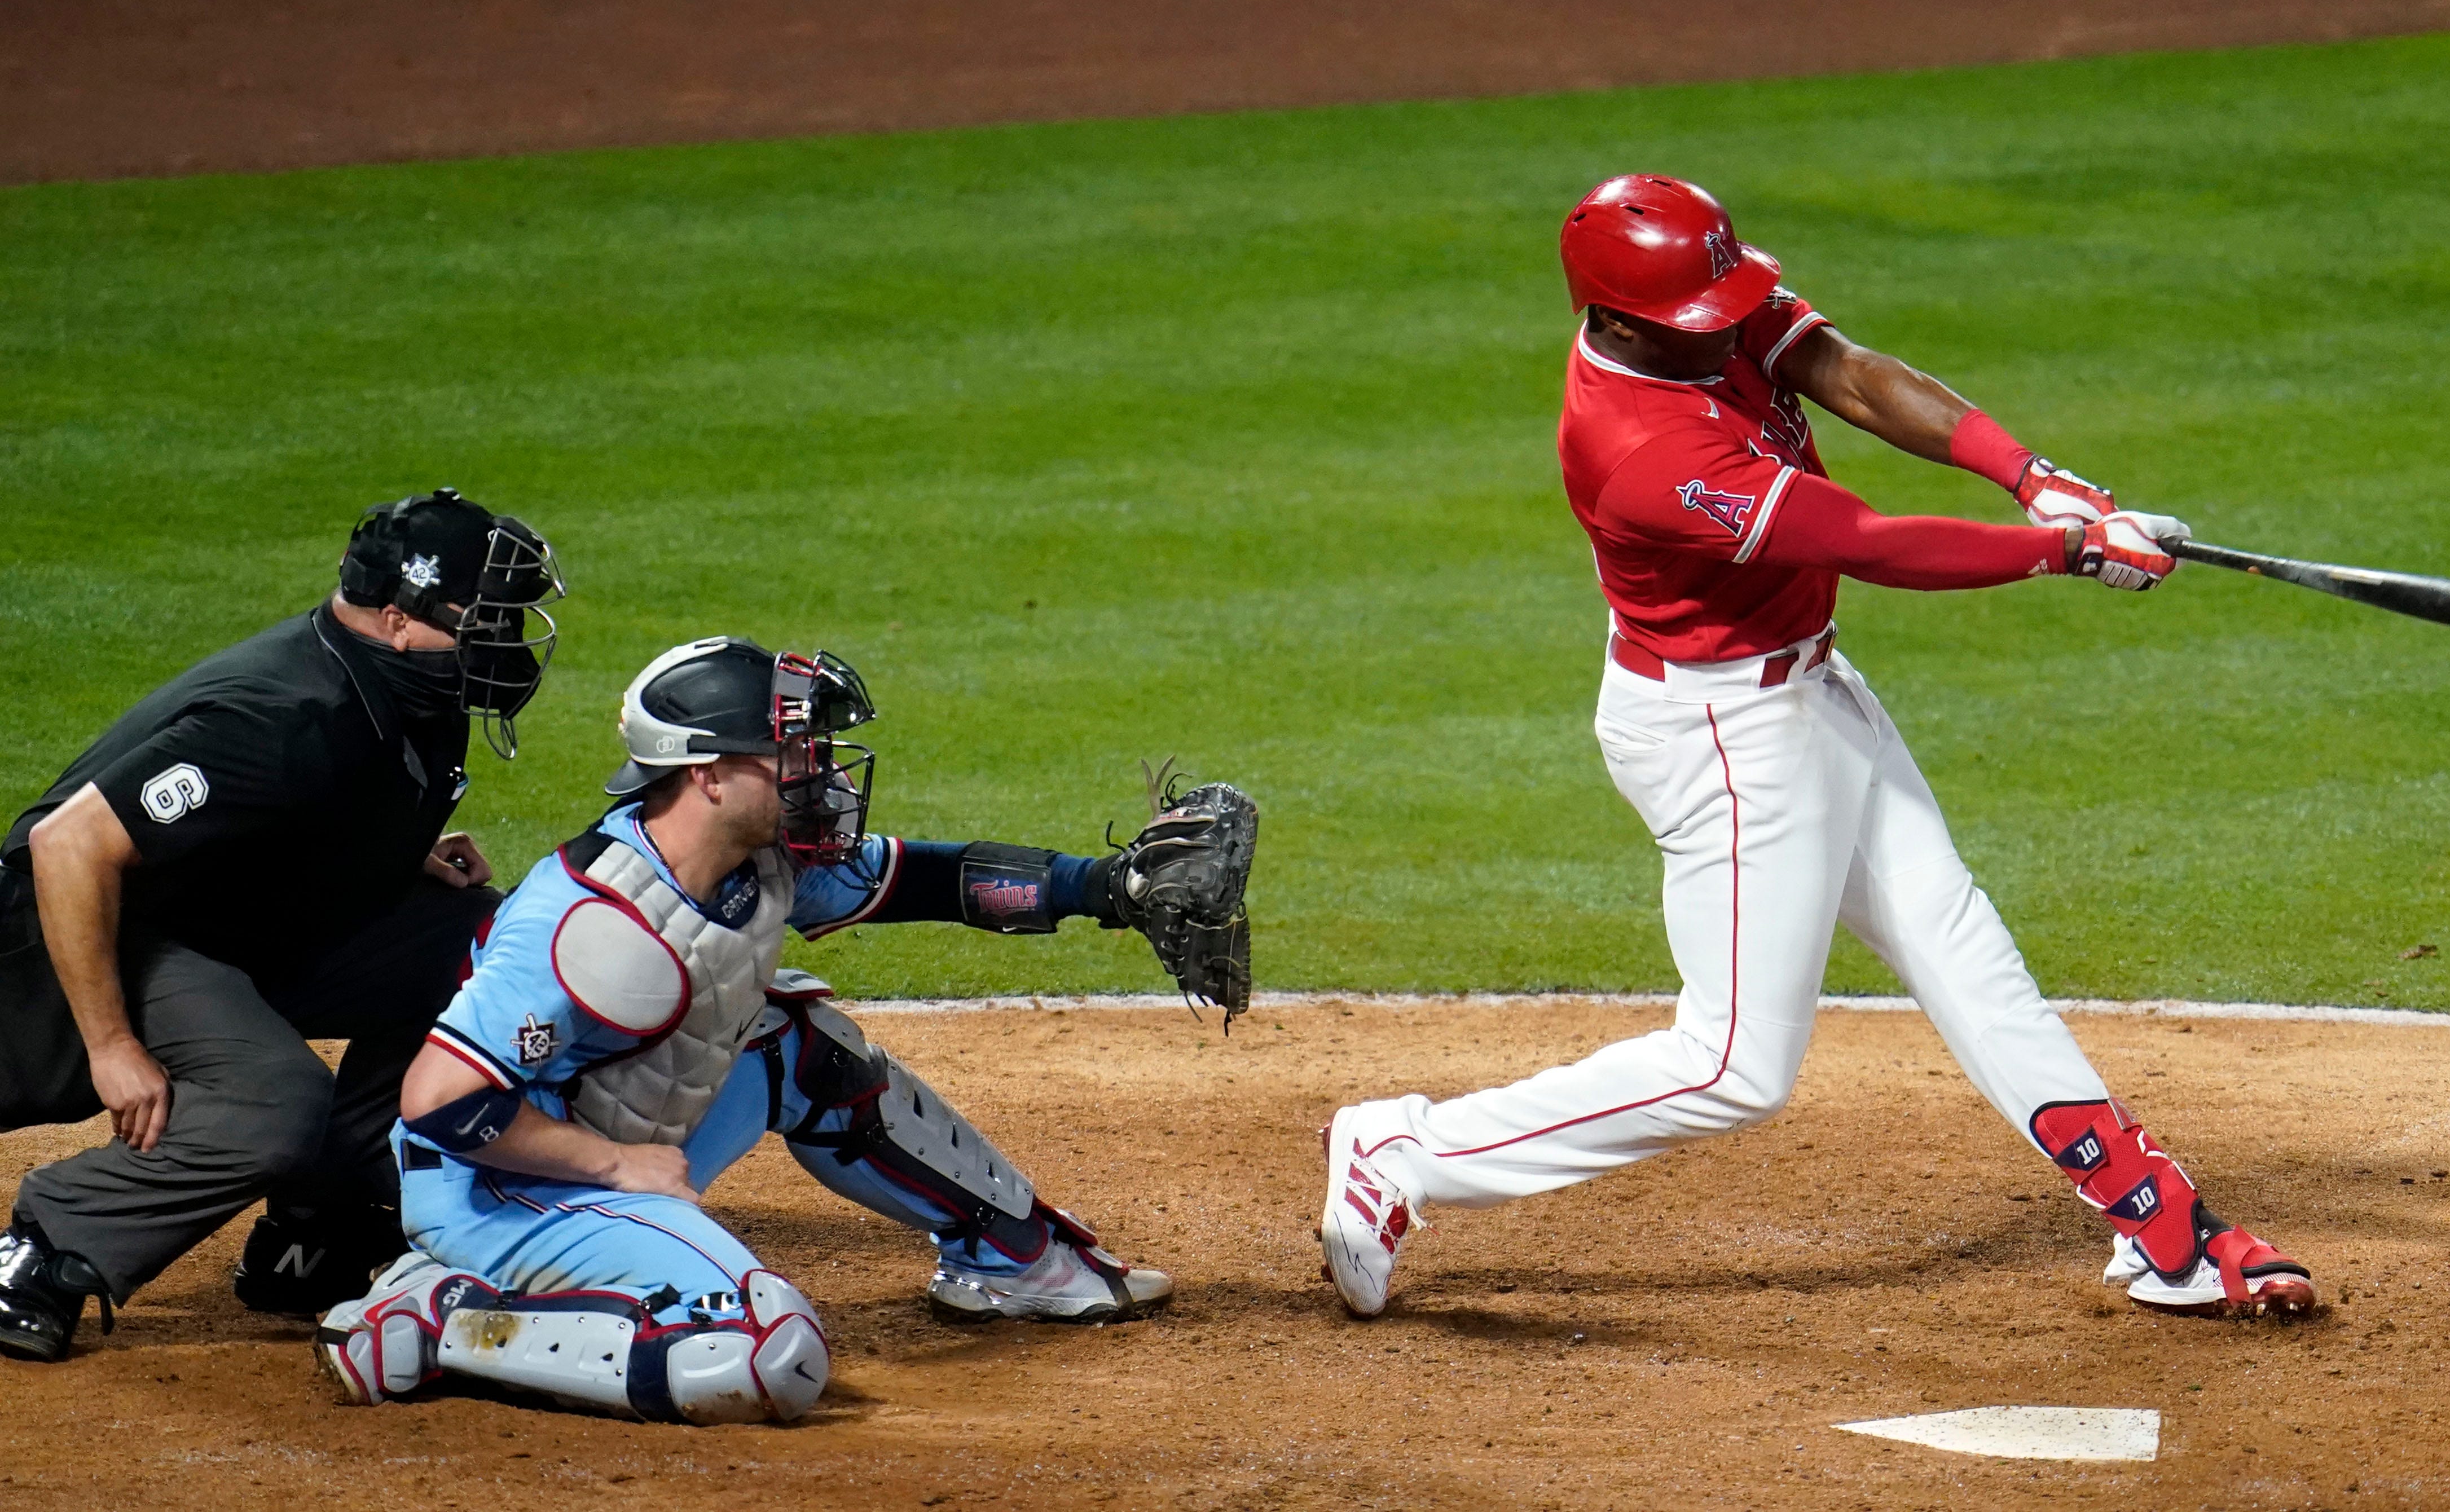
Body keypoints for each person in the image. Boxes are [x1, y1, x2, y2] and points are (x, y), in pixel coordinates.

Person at [1316, 175, 2314, 1321]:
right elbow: (1869, 540)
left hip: (1810, 687)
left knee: (1957, 940)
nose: (1727, 327)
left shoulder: (1695, 307)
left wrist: (2032, 477)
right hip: (1724, 736)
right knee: (1732, 1065)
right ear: (1621, 318)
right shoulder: (1642, 449)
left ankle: (2159, 1225)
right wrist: (2067, 554)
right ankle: (1402, 1153)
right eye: (1700, 319)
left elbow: (1845, 370)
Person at [317, 636, 1255, 1425]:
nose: (818, 772)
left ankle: (1012, 1261)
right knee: (768, 1357)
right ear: (710, 774)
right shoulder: (588, 927)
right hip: (500, 1191)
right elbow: (438, 1103)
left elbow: (924, 880)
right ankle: (439, 1320)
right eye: (790, 754)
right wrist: (610, 1169)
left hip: (622, 1138)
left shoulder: (756, 859)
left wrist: (1098, 889)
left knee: (800, 1046)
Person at [0, 491, 565, 1363]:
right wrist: (111, 1044)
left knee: (485, 944)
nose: (507, 639)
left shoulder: (408, 679)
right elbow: (64, 846)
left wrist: (384, 851)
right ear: (397, 618)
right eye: (485, 618)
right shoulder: (280, 714)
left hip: (224, 925)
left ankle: (327, 1216)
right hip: (85, 937)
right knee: (273, 1103)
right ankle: (42, 1248)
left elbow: (313, 803)